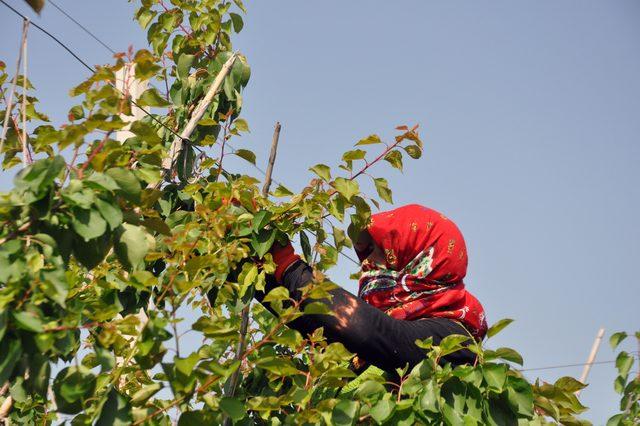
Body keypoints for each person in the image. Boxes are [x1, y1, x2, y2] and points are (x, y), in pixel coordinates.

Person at [257, 204, 487, 375]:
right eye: (362, 252)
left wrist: (289, 265)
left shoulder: (453, 340)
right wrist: (253, 258)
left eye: (376, 250)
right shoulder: (366, 340)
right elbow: (311, 320)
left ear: (420, 260)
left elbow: (373, 332)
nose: (365, 262)